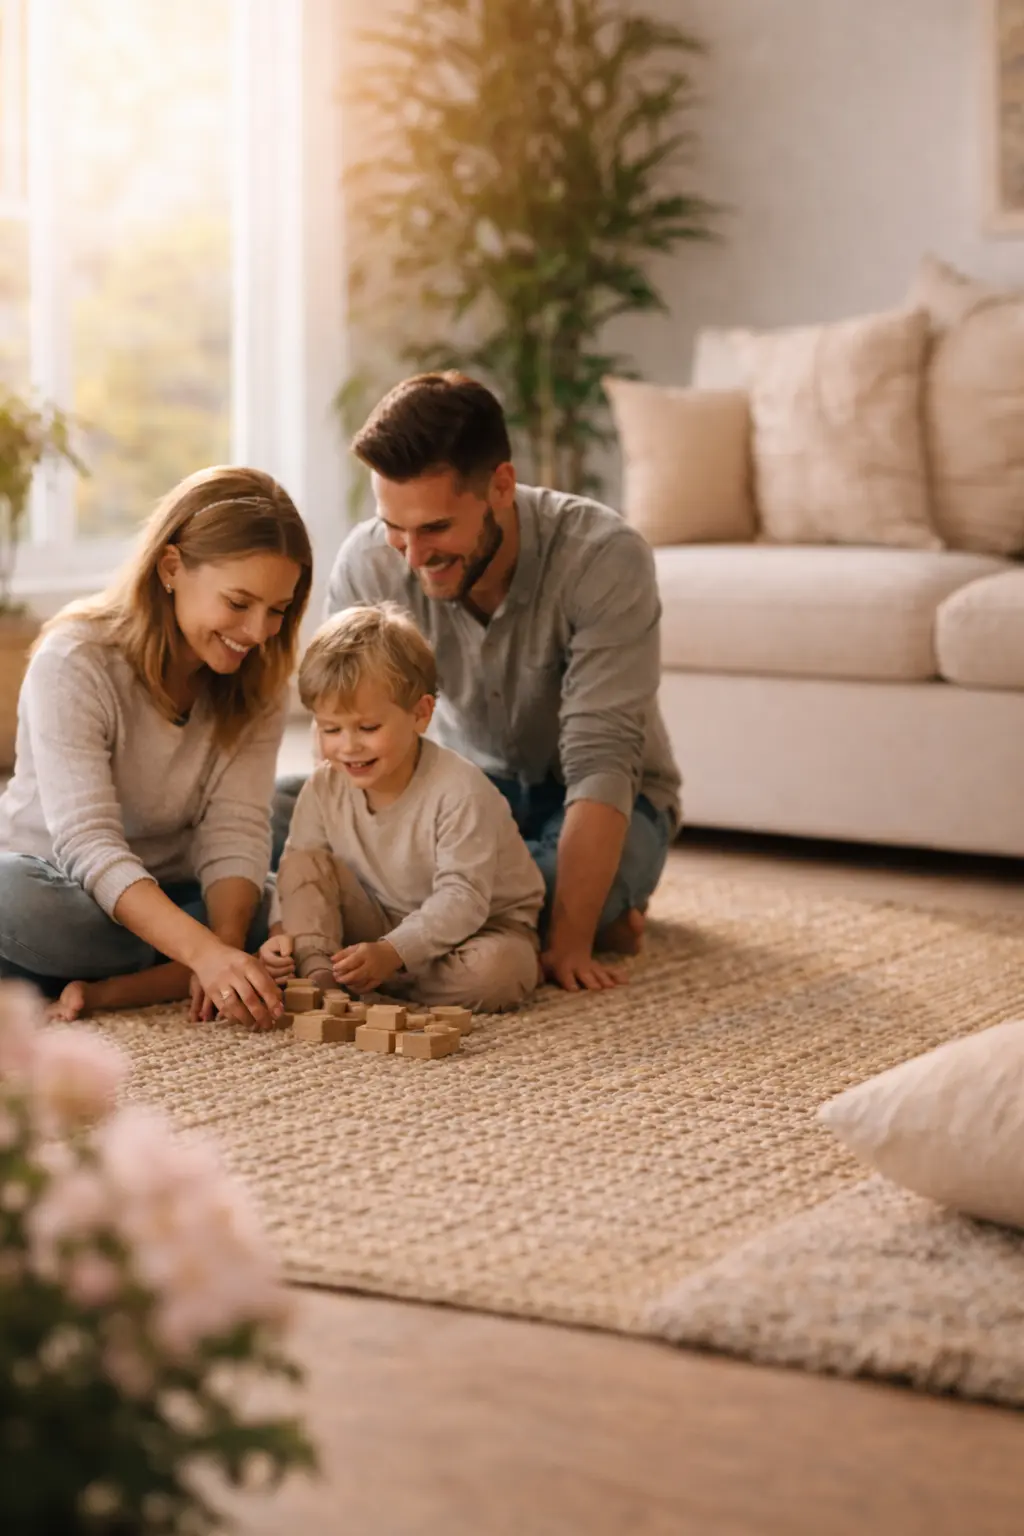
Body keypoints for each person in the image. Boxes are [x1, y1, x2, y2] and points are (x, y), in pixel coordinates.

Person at [273, 371, 681, 994]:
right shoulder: (370, 560)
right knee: (277, 812)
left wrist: (570, 944)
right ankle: (567, 919)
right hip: (446, 790)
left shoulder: (602, 556)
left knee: (519, 891)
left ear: (501, 486)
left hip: (597, 798)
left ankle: (570, 917)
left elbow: (602, 762)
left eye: (435, 528)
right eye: (394, 527)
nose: (412, 556)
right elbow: (342, 728)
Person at [0, 465, 313, 1029]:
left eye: (278, 609)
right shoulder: (75, 660)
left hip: (181, 884)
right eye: (239, 602)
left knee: (307, 813)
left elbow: (237, 827)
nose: (258, 632)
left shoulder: (259, 675)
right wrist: (206, 953)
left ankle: (120, 971)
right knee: (8, 896)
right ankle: (168, 960)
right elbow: (88, 845)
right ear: (171, 568)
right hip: (68, 887)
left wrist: (224, 947)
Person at [263, 603, 544, 1013]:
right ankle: (323, 974)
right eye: (330, 728)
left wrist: (393, 952)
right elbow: (297, 873)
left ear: (421, 714)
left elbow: (463, 899)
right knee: (303, 863)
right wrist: (280, 934)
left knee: (499, 972)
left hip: (477, 928)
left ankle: (369, 975)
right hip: (378, 916)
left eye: (368, 727)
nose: (348, 746)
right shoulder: (324, 786)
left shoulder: (461, 790)